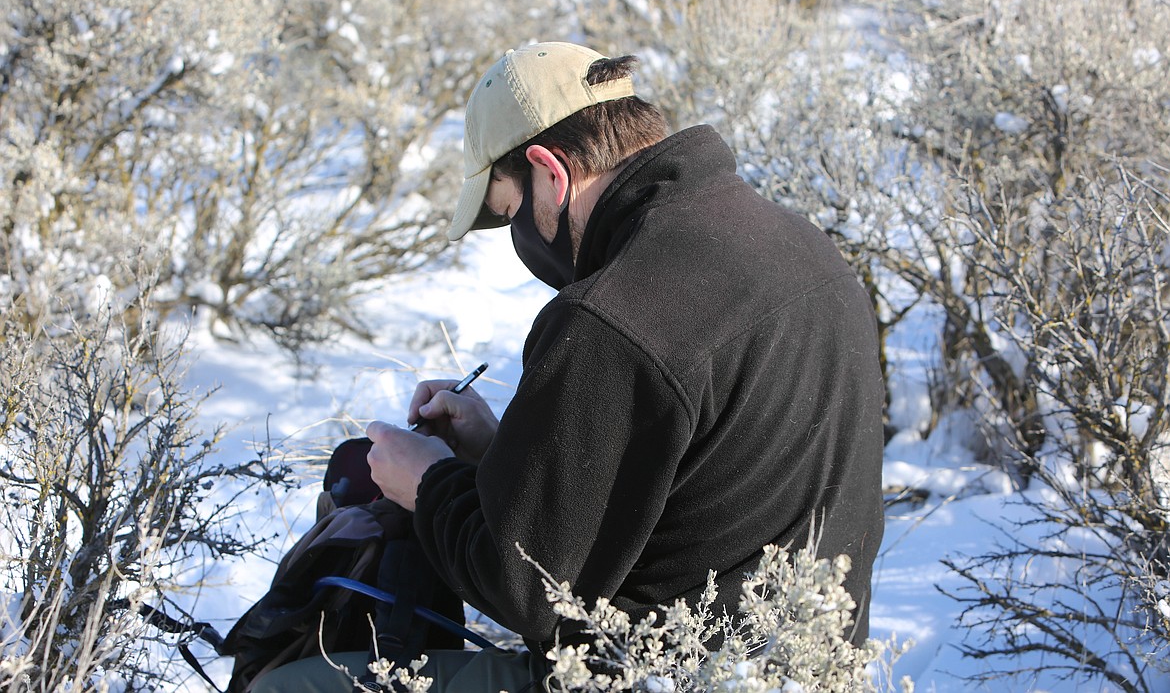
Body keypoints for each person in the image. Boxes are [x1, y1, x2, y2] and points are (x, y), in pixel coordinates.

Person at [255, 41, 885, 692]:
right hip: (809, 669)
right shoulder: (802, 249)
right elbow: (694, 483)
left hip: (659, 677)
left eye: (508, 214)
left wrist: (429, 484)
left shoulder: (612, 316)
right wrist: (502, 449)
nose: (520, 236)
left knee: (286, 688)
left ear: (549, 172)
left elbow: (528, 590)